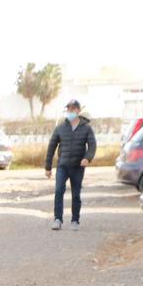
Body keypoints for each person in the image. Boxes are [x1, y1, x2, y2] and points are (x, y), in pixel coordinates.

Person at [44, 98, 95, 230]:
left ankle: (75, 220)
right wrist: (48, 167)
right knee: (59, 190)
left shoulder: (87, 128)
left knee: (76, 194)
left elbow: (92, 146)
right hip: (63, 165)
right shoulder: (60, 128)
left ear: (78, 111)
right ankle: (58, 219)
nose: (69, 112)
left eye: (72, 109)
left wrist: (87, 158)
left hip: (78, 167)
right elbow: (51, 147)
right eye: (68, 109)